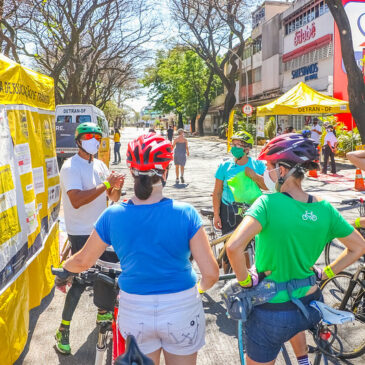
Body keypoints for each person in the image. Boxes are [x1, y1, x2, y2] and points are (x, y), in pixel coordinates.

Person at [58, 133, 219, 364]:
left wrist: (64, 269)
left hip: (135, 308)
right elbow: (211, 274)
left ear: (131, 171)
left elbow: (82, 261)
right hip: (181, 306)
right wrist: (198, 291)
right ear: (166, 171)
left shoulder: (112, 215)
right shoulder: (186, 213)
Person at [226, 133, 365, 365]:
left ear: (282, 170)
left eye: (268, 166)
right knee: (293, 321)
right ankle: (303, 361)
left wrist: (245, 281)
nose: (265, 173)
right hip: (309, 308)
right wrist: (326, 272)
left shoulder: (267, 204)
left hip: (270, 311)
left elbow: (233, 246)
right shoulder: (325, 208)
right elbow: (358, 246)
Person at [55, 122, 125, 354]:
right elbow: (76, 200)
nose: (94, 140)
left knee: (104, 275)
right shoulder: (69, 166)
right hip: (81, 231)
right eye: (89, 137)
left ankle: (103, 317)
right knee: (80, 280)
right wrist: (106, 184)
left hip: (102, 230)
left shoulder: (100, 165)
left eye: (97, 136)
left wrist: (116, 187)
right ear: (78, 141)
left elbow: (111, 197)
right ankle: (63, 330)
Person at [212, 130, 266, 273]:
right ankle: (227, 277)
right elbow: (217, 192)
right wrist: (216, 215)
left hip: (252, 211)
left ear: (247, 149)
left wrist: (254, 176)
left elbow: (268, 186)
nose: (234, 147)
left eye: (238, 145)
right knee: (228, 247)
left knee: (249, 245)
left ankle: (248, 277)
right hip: (228, 212)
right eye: (233, 144)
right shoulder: (225, 166)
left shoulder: (258, 165)